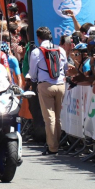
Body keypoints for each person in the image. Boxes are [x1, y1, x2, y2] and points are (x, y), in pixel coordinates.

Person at [27, 26, 68, 155]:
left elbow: (32, 72)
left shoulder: (36, 52)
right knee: (58, 117)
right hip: (60, 84)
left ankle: (52, 147)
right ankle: (57, 143)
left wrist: (34, 80)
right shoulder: (60, 49)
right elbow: (65, 67)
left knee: (49, 118)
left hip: (45, 85)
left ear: (38, 38)